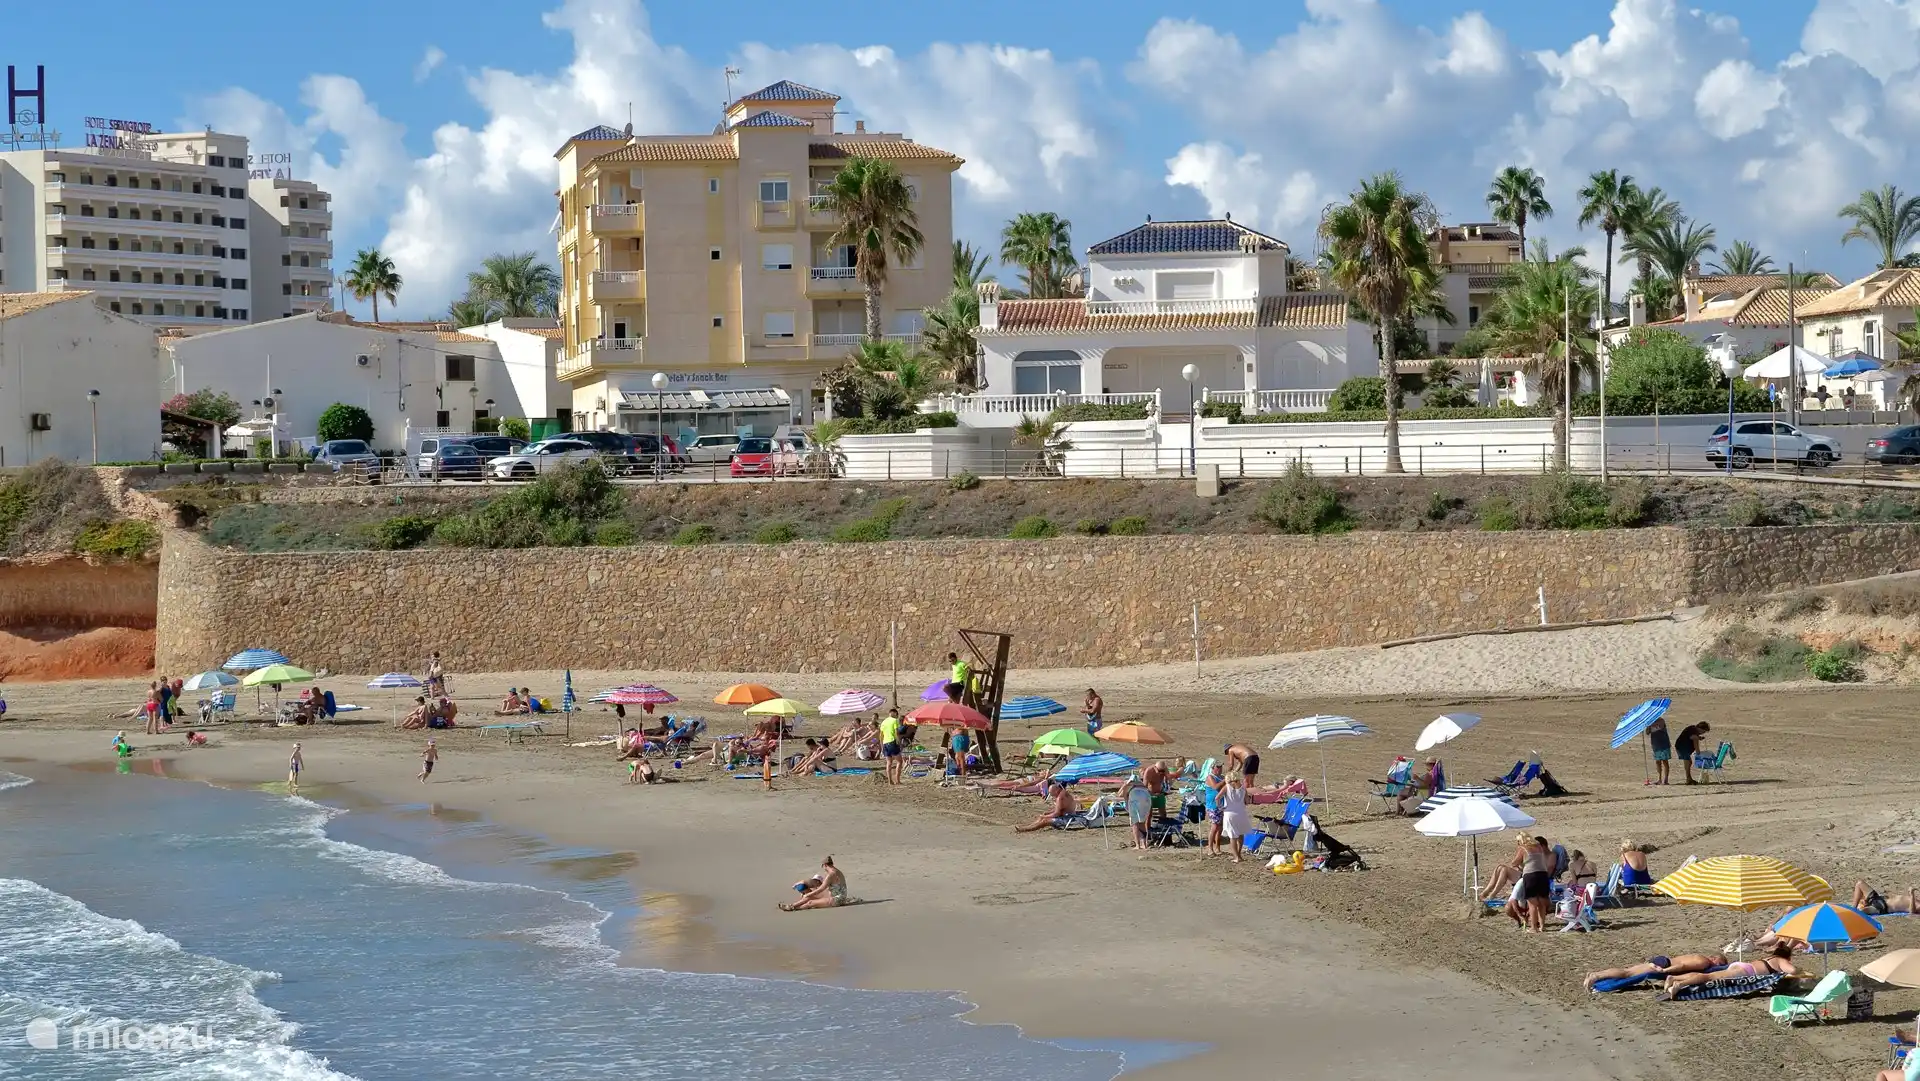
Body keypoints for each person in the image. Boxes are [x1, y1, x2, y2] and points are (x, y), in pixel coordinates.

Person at [1661, 942, 1797, 997]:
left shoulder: (1770, 958)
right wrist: (1799, 969)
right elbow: (1793, 971)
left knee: (1707, 975)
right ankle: (1680, 984)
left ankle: (1674, 978)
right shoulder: (1781, 960)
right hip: (1745, 972)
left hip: (1742, 967)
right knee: (1709, 977)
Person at [1583, 953, 1728, 989]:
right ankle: (1596, 976)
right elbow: (1682, 967)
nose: (1714, 967)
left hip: (1664, 960)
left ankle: (1597, 975)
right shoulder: (1703, 962)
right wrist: (1665, 970)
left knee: (1628, 971)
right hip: (1665, 963)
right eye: (1719, 963)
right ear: (1714, 959)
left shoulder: (1699, 956)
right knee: (1628, 973)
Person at [779, 856, 850, 911]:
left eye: (823, 867)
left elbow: (821, 889)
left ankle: (792, 908)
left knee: (810, 903)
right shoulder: (838, 871)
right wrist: (808, 895)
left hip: (837, 900)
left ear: (825, 865)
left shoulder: (831, 874)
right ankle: (792, 906)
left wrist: (808, 894)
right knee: (809, 897)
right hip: (838, 897)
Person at [1219, 770, 1251, 863]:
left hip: (1230, 813)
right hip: (1241, 813)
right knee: (1241, 834)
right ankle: (1239, 854)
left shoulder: (1227, 787)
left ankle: (1236, 856)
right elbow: (1247, 801)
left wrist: (1220, 807)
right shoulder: (1243, 788)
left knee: (1232, 836)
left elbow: (1217, 797)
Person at [1120, 773, 1152, 851]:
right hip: (1146, 802)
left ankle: (1137, 845)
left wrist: (1124, 786)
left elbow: (1121, 794)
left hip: (1135, 802)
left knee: (1135, 824)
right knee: (1142, 823)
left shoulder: (1130, 785)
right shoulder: (1142, 785)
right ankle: (1144, 844)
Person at [1854, 879, 1919, 915]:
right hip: (1879, 898)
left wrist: (1912, 895)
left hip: (1883, 907)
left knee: (1860, 912)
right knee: (1859, 883)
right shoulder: (1917, 900)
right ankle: (1853, 908)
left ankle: (1853, 912)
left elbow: (1912, 912)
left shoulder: (1918, 905)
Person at [1203, 761, 1227, 856]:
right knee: (1214, 826)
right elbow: (1215, 787)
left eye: (1220, 767)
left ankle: (1217, 847)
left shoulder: (1222, 777)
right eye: (1218, 767)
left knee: (1220, 827)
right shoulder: (1210, 777)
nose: (1220, 769)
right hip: (1212, 805)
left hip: (1221, 804)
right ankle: (1210, 848)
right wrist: (1225, 781)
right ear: (1213, 768)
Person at [879, 708, 904, 785]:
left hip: (885, 743)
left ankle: (890, 781)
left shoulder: (883, 722)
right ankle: (897, 780)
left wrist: (881, 745)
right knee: (900, 761)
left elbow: (881, 735)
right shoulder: (894, 720)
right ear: (895, 714)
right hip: (892, 742)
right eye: (897, 715)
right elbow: (896, 733)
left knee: (889, 762)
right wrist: (899, 743)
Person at [1142, 758, 1170, 824]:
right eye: (1159, 771)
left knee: (1163, 813)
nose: (1161, 772)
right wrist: (1151, 794)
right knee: (1149, 814)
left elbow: (1169, 781)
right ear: (1155, 767)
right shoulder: (1149, 771)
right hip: (1150, 794)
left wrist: (1166, 774)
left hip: (1160, 793)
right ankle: (1147, 831)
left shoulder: (1165, 770)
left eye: (1162, 771)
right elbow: (1144, 787)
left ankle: (1163, 829)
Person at [1647, 717, 1672, 785]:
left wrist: (1651, 724)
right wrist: (1648, 725)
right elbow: (1647, 732)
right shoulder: (1650, 721)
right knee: (1658, 762)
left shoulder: (1661, 720)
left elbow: (1660, 726)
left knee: (1665, 761)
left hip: (1664, 743)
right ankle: (1659, 779)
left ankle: (1666, 779)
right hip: (1655, 744)